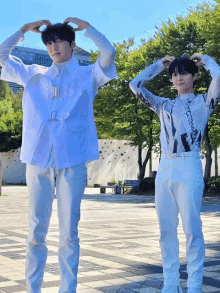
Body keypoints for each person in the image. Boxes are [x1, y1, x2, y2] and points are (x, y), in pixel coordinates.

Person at [0, 17, 116, 293]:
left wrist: (89, 28)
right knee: (36, 231)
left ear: (72, 45)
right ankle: (33, 288)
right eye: (49, 42)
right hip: (38, 160)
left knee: (69, 232)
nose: (53, 46)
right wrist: (22, 31)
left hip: (72, 162)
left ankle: (68, 289)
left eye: (59, 41)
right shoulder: (32, 73)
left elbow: (109, 52)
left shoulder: (89, 74)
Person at [129, 54, 220, 293]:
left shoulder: (204, 102)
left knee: (192, 228)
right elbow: (134, 85)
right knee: (166, 229)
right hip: (165, 167)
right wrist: (160, 65)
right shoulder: (163, 105)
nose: (179, 77)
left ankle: (194, 285)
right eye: (175, 74)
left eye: (184, 73)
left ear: (195, 76)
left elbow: (219, 76)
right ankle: (170, 283)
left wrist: (207, 61)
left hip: (189, 165)